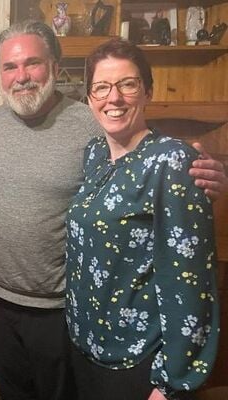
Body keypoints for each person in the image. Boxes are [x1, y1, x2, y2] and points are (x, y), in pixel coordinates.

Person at [0, 20, 227, 400]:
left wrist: (210, 176)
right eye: (10, 66)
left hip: (59, 311)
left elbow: (150, 156)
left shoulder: (90, 126)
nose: (22, 76)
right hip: (2, 300)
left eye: (33, 63)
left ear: (56, 69)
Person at [65, 38, 218, 400]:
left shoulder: (172, 163)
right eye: (101, 87)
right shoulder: (95, 155)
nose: (113, 98)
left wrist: (170, 383)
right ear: (89, 98)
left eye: (127, 84)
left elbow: (190, 281)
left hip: (137, 361)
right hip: (85, 347)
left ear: (147, 91)